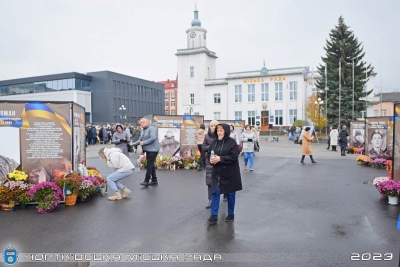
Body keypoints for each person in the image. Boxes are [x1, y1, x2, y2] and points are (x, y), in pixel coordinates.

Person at [207, 123, 242, 225]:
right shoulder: (214, 142)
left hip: (230, 173)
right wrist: (211, 160)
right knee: (215, 193)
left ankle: (231, 213)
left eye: (221, 130)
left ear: (225, 131)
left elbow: (234, 157)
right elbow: (210, 153)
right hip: (217, 173)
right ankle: (214, 215)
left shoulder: (232, 143)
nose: (219, 132)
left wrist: (220, 158)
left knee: (230, 193)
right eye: (218, 131)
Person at [132, 117, 160, 187]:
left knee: (149, 165)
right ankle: (154, 180)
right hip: (148, 149)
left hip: (153, 149)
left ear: (148, 122)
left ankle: (146, 181)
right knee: (151, 165)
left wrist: (144, 143)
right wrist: (134, 143)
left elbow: (153, 138)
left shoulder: (152, 128)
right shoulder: (143, 130)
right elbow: (140, 139)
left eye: (143, 122)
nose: (141, 124)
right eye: (140, 123)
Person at [202, 120, 219, 209]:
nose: (213, 128)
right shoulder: (207, 136)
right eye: (211, 126)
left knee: (220, 180)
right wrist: (212, 146)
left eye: (214, 126)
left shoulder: (220, 136)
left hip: (219, 160)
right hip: (209, 160)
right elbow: (203, 147)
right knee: (210, 180)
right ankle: (210, 199)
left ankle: (223, 195)